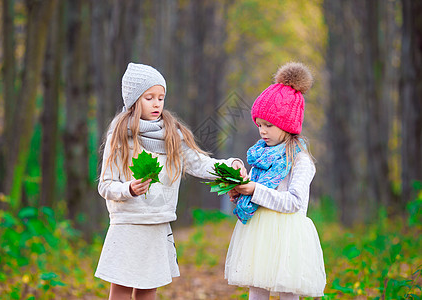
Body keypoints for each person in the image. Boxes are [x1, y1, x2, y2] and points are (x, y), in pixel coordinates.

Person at [95, 62, 246, 300]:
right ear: (134, 101)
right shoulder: (121, 136)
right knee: (122, 289)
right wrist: (129, 189)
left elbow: (199, 164)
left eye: (161, 97)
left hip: (158, 223)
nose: (157, 104)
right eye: (149, 97)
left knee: (148, 289)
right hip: (127, 224)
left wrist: (230, 166)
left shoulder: (171, 136)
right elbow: (105, 185)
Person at [225, 62, 326, 300]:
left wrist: (255, 190)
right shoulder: (261, 154)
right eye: (259, 124)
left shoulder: (301, 160)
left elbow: (294, 201)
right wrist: (242, 189)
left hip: (288, 234)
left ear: (287, 124)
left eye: (268, 125)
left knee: (287, 291)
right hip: (259, 230)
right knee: (257, 288)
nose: (262, 131)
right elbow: (257, 186)